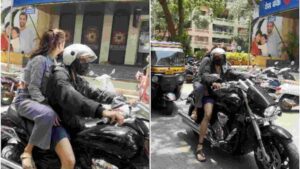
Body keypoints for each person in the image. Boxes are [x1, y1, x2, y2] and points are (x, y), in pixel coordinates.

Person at [16, 29, 75, 169]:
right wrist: (48, 106)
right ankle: (27, 152)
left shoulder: (54, 61)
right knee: (48, 114)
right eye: (63, 42)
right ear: (59, 44)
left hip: (38, 101)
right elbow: (33, 88)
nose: (64, 46)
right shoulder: (40, 60)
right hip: (26, 100)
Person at [46, 44, 124, 135]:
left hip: (73, 120)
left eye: (87, 60)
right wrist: (102, 111)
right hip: (61, 123)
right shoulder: (60, 76)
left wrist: (117, 98)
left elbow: (94, 92)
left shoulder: (75, 77)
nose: (86, 63)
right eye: (83, 60)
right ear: (71, 58)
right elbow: (73, 98)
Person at [192, 48, 232, 162]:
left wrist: (246, 76)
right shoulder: (208, 63)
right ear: (213, 57)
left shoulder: (225, 66)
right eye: (217, 57)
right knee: (208, 114)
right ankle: (199, 147)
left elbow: (232, 73)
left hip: (223, 93)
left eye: (221, 56)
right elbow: (204, 75)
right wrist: (212, 81)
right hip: (209, 92)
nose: (219, 59)